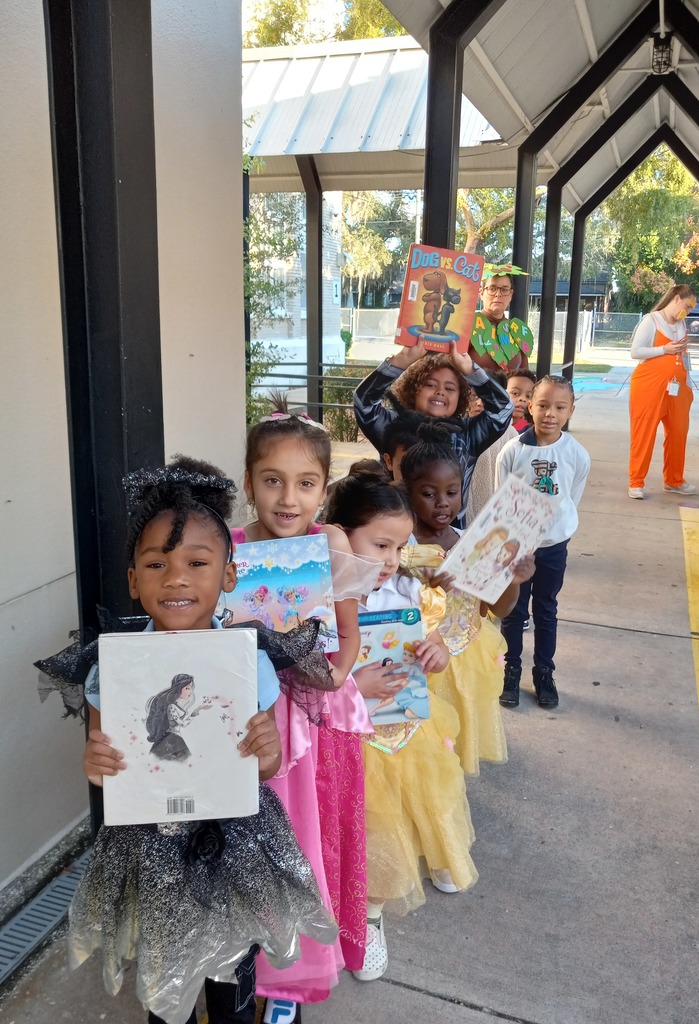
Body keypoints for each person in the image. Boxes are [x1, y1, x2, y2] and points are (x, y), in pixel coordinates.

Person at [68, 456, 337, 1024]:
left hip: (234, 839)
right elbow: (102, 766)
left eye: (197, 561)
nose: (177, 578)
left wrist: (267, 753)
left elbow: (264, 767)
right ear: (133, 580)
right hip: (151, 842)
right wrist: (97, 761)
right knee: (168, 982)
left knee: (233, 972)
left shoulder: (249, 663)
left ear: (229, 575)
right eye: (156, 563)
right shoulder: (112, 668)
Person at [236, 403, 374, 1024]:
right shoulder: (230, 547)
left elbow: (349, 635)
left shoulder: (331, 542)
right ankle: (255, 965)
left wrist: (338, 673)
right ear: (248, 483)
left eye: (306, 483)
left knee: (313, 844)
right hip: (259, 720)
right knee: (264, 846)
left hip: (319, 714)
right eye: (272, 480)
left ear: (323, 487)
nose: (288, 498)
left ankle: (293, 982)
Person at [326, 467, 477, 982]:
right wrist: (352, 688)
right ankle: (360, 912)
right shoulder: (319, 601)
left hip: (404, 730)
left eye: (399, 547)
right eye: (379, 546)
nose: (391, 561)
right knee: (365, 824)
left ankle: (409, 877)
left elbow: (451, 625)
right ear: (339, 535)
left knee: (415, 806)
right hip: (347, 738)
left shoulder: (405, 589)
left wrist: (435, 650)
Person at [399, 423, 535, 774]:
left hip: (469, 657)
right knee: (426, 753)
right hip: (424, 664)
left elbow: (497, 609)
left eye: (452, 492)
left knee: (458, 749)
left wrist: (514, 580)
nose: (443, 502)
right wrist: (428, 589)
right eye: (429, 493)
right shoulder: (400, 550)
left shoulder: (473, 542)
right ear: (408, 493)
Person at [495, 376, 591, 709]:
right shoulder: (512, 451)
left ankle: (543, 672)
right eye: (543, 405)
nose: (550, 413)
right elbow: (502, 501)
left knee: (546, 609)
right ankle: (510, 668)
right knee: (514, 611)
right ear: (529, 406)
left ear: (570, 411)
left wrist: (556, 529)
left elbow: (571, 497)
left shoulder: (576, 454)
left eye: (560, 407)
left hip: (553, 546)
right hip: (519, 546)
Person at [353, 338, 513, 526]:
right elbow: (364, 404)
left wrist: (469, 370)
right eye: (430, 384)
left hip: (448, 534)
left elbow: (503, 410)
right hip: (396, 529)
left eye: (450, 388)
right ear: (413, 389)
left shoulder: (467, 434)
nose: (440, 392)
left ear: (460, 397)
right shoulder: (394, 426)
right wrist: (402, 360)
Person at [627, 284, 697, 499]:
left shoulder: (682, 323)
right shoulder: (651, 321)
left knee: (678, 433)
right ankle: (636, 482)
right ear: (676, 299)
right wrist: (664, 350)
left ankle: (674, 479)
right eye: (687, 305)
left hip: (677, 390)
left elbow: (684, 355)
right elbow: (635, 352)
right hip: (648, 388)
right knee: (644, 434)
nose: (688, 311)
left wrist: (688, 383)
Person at [465, 368, 537, 523]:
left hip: (494, 517)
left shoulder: (511, 435)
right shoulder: (457, 431)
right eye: (473, 396)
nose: (479, 402)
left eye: (486, 398)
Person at [470, 267, 534, 374]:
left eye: (504, 289)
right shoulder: (469, 325)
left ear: (510, 295)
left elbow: (525, 376)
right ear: (481, 293)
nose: (498, 294)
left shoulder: (517, 330)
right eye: (492, 288)